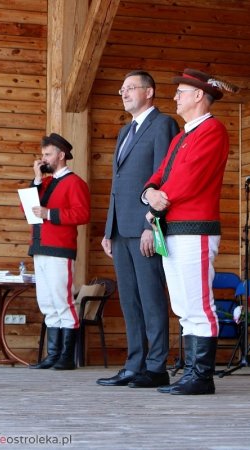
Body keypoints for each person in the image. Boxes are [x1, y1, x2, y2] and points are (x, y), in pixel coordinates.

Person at [143, 68, 234, 395]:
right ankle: (193, 374)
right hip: (174, 227)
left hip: (195, 229)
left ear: (198, 95)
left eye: (181, 92)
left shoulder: (212, 130)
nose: (175, 97)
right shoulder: (182, 136)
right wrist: (149, 191)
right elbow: (160, 173)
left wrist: (155, 203)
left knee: (198, 303)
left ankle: (201, 376)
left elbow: (188, 180)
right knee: (183, 304)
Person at [96, 70, 179, 388]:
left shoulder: (163, 125)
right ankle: (135, 364)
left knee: (151, 298)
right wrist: (108, 229)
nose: (124, 93)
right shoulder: (124, 131)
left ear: (149, 92)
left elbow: (164, 178)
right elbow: (118, 185)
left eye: (130, 88)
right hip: (120, 230)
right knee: (130, 300)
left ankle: (156, 366)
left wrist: (152, 224)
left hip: (144, 228)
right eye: (121, 89)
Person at [27, 133, 90, 370]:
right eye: (43, 154)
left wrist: (49, 214)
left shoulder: (75, 183)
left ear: (61, 155)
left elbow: (82, 214)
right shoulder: (44, 182)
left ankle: (66, 357)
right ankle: (53, 355)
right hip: (40, 246)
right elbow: (31, 207)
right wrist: (36, 178)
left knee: (63, 301)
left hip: (60, 248)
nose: (43, 158)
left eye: (47, 154)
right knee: (47, 302)